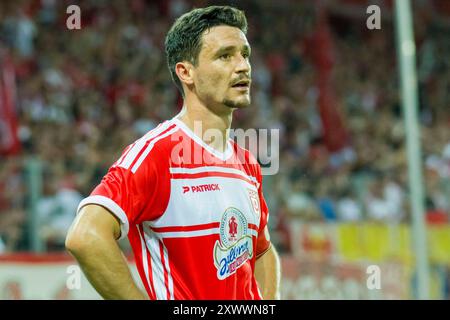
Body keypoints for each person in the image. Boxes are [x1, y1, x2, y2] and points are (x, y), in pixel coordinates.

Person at [65, 5, 281, 300]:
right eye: (225, 56)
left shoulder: (247, 164)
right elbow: (85, 236)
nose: (243, 65)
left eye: (245, 54)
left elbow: (262, 251)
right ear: (186, 72)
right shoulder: (157, 153)